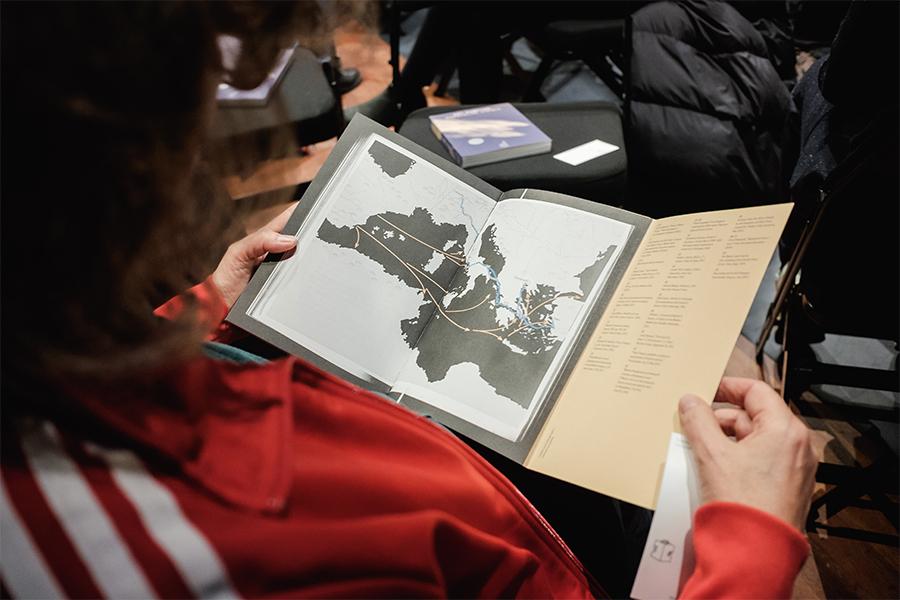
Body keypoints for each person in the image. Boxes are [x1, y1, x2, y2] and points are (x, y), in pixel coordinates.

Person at [1, 2, 817, 598]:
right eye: (208, 88)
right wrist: (751, 544)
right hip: (627, 556)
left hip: (498, 486)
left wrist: (201, 304)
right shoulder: (203, 548)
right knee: (737, 386)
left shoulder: (62, 377)